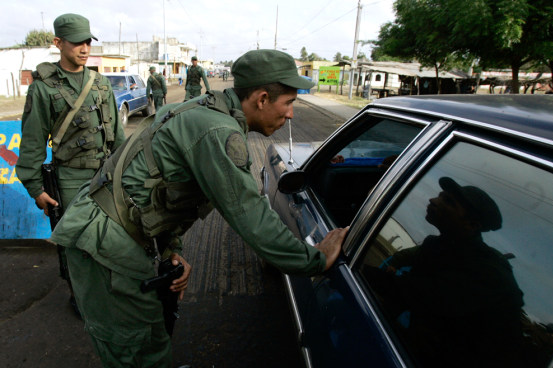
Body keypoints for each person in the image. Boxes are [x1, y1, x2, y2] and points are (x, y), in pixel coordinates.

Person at [50, 49, 349, 366]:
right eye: (288, 103)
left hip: (116, 230)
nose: (290, 114)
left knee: (151, 337)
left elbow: (154, 185)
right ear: (262, 99)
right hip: (103, 243)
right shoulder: (219, 132)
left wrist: (170, 249)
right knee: (133, 351)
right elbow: (253, 219)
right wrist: (315, 259)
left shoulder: (203, 109)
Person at [15, 13, 125, 317]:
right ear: (58, 43)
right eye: (77, 42)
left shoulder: (100, 83)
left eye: (88, 41)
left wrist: (125, 171)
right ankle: (79, 294)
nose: (84, 48)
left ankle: (107, 288)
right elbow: (33, 142)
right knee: (74, 241)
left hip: (106, 173)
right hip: (70, 177)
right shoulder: (43, 89)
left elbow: (117, 135)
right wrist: (35, 188)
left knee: (111, 233)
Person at [365, 177, 525, 367]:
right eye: (441, 196)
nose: (434, 200)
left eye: (448, 202)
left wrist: (348, 264)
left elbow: (416, 293)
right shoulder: (441, 244)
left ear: (472, 225)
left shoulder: (488, 272)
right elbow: (407, 261)